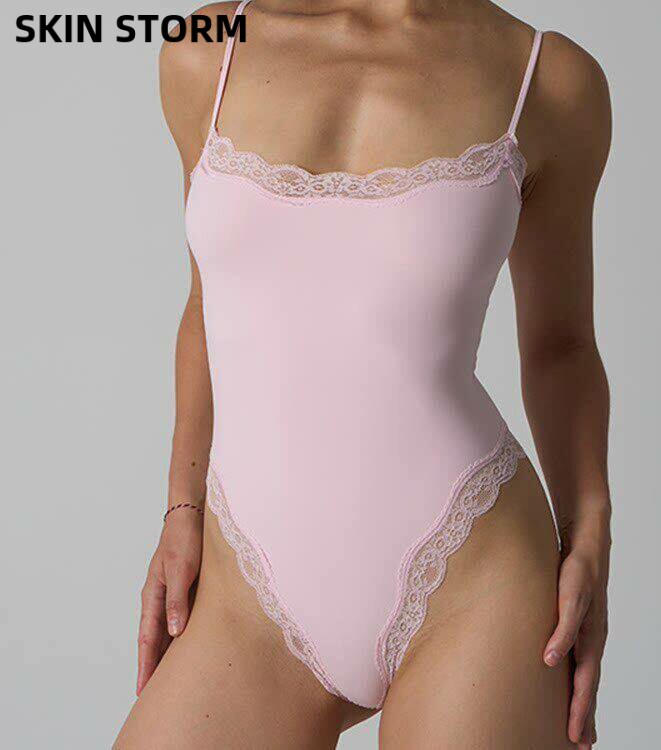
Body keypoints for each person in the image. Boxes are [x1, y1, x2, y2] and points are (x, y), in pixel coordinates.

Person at [116, 1, 612, 747]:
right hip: (247, 593)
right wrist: (180, 508)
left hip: (473, 576)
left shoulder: (546, 79)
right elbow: (204, 303)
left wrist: (590, 529)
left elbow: (561, 345)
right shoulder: (207, 47)